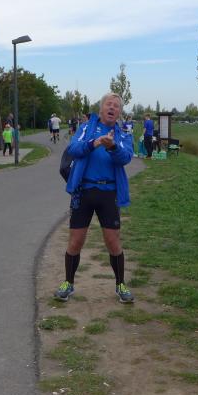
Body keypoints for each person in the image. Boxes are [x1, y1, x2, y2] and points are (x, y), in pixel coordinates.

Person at [55, 93, 135, 304]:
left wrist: (112, 146)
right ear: (101, 109)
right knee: (76, 240)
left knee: (113, 241)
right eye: (109, 104)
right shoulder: (86, 128)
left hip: (109, 193)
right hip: (84, 191)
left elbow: (126, 157)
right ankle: (68, 283)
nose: (112, 108)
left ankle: (120, 284)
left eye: (116, 106)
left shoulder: (123, 133)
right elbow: (74, 149)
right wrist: (95, 143)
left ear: (119, 112)